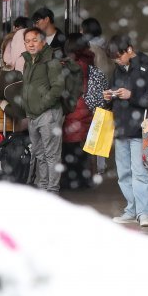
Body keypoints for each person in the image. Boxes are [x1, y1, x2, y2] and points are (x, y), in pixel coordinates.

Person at [102, 36, 148, 226]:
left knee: (140, 172)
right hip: (122, 126)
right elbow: (113, 92)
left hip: (140, 127)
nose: (117, 61)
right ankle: (131, 209)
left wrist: (131, 95)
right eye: (114, 58)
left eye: (119, 57)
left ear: (129, 50)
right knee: (124, 172)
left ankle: (144, 212)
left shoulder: (147, 66)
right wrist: (109, 95)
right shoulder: (118, 70)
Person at [19, 26, 67, 193]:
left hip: (49, 114)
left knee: (51, 154)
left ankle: (52, 190)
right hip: (32, 115)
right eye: (27, 41)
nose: (31, 44)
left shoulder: (51, 60)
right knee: (39, 154)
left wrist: (41, 105)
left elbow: (58, 87)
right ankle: (43, 187)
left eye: (35, 40)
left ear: (43, 41)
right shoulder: (27, 61)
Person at [61, 33, 97, 190]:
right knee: (80, 148)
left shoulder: (74, 64)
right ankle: (83, 179)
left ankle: (72, 181)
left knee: (71, 147)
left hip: (74, 108)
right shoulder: (88, 61)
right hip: (84, 108)